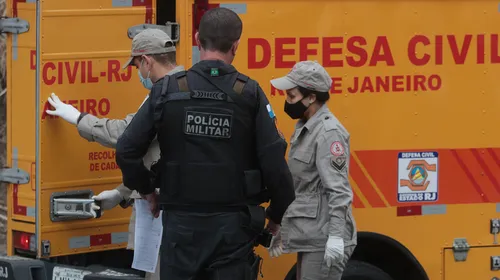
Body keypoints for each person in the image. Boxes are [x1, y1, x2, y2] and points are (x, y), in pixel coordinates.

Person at [114, 7, 296, 280]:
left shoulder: (168, 90)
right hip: (232, 232)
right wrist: (276, 217)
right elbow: (276, 167)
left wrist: (148, 190)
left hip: (180, 229)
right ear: (236, 45)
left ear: (198, 39)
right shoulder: (249, 94)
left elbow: (127, 150)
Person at [44, 28, 184, 280]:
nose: (138, 74)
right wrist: (122, 193)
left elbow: (125, 137)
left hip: (164, 212)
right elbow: (159, 157)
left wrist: (78, 118)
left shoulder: (162, 94)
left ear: (147, 61)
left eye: (136, 66)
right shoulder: (187, 86)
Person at [267, 60, 357, 280]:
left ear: (312, 97)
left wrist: (335, 237)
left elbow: (339, 191)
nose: (287, 101)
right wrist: (279, 227)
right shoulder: (306, 128)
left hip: (324, 239)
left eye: (292, 96)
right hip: (312, 236)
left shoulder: (328, 132)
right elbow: (303, 187)